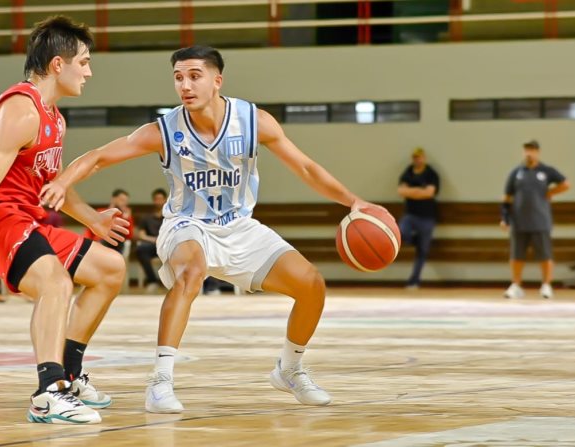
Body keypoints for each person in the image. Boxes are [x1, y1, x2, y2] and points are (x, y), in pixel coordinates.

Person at [41, 45, 383, 413]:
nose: (185, 85)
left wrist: (353, 202)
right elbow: (97, 157)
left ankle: (290, 368)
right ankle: (160, 381)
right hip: (186, 225)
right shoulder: (164, 130)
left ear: (217, 81)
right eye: (178, 78)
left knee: (312, 285)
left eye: (194, 76)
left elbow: (306, 169)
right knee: (192, 270)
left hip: (240, 226)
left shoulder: (254, 121)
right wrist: (62, 184)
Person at [0, 15, 130, 425]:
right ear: (58, 65)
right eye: (84, 61)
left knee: (110, 269)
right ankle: (49, 392)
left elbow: (52, 187)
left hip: (27, 217)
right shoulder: (21, 110)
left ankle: (71, 373)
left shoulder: (55, 118)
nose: (90, 71)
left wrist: (93, 220)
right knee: (55, 283)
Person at [501, 140, 570, 299]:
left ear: (537, 152)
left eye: (531, 150)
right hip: (519, 221)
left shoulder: (546, 171)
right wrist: (505, 218)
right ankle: (516, 285)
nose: (528, 153)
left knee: (545, 255)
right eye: (526, 150)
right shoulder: (516, 172)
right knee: (516, 255)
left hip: (540, 220)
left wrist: (551, 193)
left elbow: (566, 184)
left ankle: (546, 284)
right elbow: (506, 197)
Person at [397, 147, 440, 289]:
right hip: (410, 215)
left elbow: (430, 193)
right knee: (400, 233)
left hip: (427, 217)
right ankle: (414, 240)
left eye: (419, 157)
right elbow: (401, 191)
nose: (417, 160)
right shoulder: (408, 172)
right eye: (415, 157)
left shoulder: (431, 173)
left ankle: (414, 280)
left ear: (424, 158)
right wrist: (419, 191)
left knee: (422, 251)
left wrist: (412, 192)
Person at [83, 189, 135, 254]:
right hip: (98, 242)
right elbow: (88, 230)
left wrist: (127, 219)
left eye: (126, 201)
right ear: (113, 199)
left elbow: (129, 236)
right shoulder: (101, 211)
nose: (124, 203)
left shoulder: (126, 216)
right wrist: (89, 243)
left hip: (116, 245)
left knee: (117, 233)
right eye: (122, 200)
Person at [136, 188, 167, 293]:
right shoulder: (146, 218)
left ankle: (173, 282)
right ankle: (152, 281)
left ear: (165, 200)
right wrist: (153, 239)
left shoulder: (169, 217)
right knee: (141, 249)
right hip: (152, 245)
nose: (158, 201)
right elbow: (141, 235)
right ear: (153, 200)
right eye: (156, 199)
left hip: (166, 246)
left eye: (160, 199)